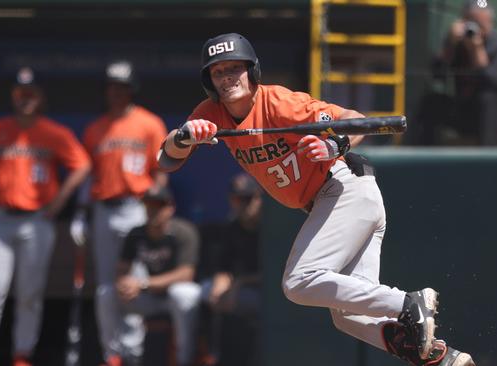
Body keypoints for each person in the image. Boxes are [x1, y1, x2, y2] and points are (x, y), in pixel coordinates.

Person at [157, 32, 475, 366]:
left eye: (235, 68)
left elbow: (355, 120)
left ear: (252, 71)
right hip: (337, 202)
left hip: (343, 189)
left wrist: (335, 145)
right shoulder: (211, 113)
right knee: (348, 316)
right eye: (218, 72)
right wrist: (185, 136)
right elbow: (167, 157)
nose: (227, 78)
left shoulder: (278, 102)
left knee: (298, 282)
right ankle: (439, 357)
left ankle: (408, 303)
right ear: (209, 80)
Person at [0, 67, 91, 366]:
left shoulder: (54, 132)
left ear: (40, 97)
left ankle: (22, 354)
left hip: (37, 220)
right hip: (0, 219)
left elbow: (82, 165)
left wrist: (58, 202)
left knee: (29, 293)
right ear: (13, 97)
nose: (25, 100)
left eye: (31, 94)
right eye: (21, 94)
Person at [69, 60, 168, 366]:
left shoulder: (149, 123)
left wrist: (154, 210)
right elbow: (89, 176)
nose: (116, 93)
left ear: (132, 90)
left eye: (122, 88)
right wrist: (81, 214)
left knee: (132, 283)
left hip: (136, 208)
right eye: (112, 87)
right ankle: (112, 354)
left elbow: (162, 172)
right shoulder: (95, 129)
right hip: (103, 209)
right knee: (106, 287)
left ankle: (133, 351)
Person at [115, 185, 202, 366]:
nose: (154, 210)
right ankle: (119, 357)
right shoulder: (136, 233)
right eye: (149, 205)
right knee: (106, 295)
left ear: (170, 207)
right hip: (150, 298)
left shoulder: (182, 231)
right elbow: (122, 270)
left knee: (182, 293)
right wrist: (124, 284)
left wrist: (142, 284)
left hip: (173, 297)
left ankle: (184, 359)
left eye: (159, 205)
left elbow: (187, 274)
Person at [424, 0, 497, 146]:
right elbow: (437, 76)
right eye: (471, 22)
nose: (475, 29)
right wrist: (450, 44)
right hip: (466, 111)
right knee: (432, 101)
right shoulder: (455, 44)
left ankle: (488, 161)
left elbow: (493, 82)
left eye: (480, 24)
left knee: (488, 100)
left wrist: (477, 49)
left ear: (490, 22)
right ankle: (423, 158)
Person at [201, 173, 262, 366]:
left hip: (270, 292)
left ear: (258, 198)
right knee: (205, 293)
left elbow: (277, 273)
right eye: (237, 199)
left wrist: (237, 285)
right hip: (239, 288)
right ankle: (210, 355)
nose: (242, 205)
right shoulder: (231, 227)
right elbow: (223, 267)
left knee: (244, 301)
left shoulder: (270, 226)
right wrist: (219, 288)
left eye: (247, 199)